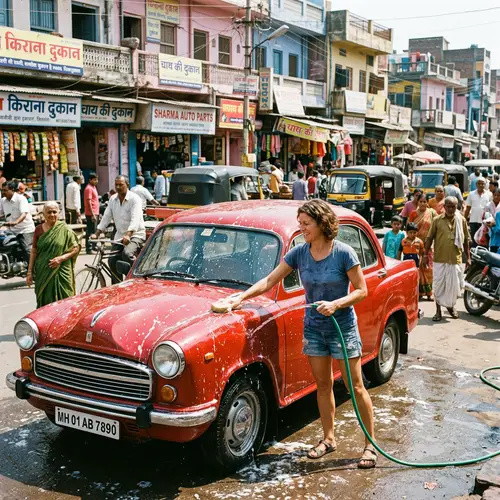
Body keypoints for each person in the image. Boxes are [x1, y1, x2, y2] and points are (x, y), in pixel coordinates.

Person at [222, 199, 378, 468]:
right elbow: (271, 280)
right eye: (300, 223)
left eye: (306, 223)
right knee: (323, 384)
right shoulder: (299, 253)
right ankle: (328, 439)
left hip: (343, 328)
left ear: (321, 224)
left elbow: (362, 290)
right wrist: (241, 297)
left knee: (355, 386)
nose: (302, 228)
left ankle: (370, 446)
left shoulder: (343, 253)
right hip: (314, 329)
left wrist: (337, 303)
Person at [91, 175, 146, 284]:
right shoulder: (113, 199)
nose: (118, 187)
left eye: (121, 185)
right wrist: (97, 233)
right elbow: (106, 217)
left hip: (136, 235)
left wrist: (128, 235)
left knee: (127, 253)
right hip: (120, 236)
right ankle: (117, 286)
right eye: (116, 185)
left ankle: (136, 278)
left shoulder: (135, 199)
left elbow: (135, 219)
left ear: (127, 185)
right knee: (112, 260)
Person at [26, 202, 80, 308]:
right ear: (44, 214)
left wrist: (61, 258)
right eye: (49, 212)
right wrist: (29, 272)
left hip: (62, 270)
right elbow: (34, 251)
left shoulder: (64, 229)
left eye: (54, 212)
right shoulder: (38, 230)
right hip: (43, 270)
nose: (52, 215)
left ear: (58, 213)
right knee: (45, 301)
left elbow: (75, 248)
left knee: (65, 301)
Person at [424, 196, 470, 321]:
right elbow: (429, 238)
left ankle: (450, 307)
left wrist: (469, 258)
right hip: (440, 259)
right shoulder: (437, 220)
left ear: (457, 207)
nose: (450, 209)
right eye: (448, 206)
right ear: (444, 207)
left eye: (453, 206)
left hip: (456, 259)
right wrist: (424, 256)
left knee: (454, 287)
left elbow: (466, 240)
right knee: (439, 286)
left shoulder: (462, 220)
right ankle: (438, 311)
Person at [409, 194, 437, 300]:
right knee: (418, 267)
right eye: (421, 201)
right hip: (416, 244)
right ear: (418, 202)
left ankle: (429, 292)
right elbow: (410, 228)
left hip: (429, 245)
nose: (423, 203)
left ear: (428, 203)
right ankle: (419, 292)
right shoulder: (413, 213)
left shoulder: (432, 213)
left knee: (429, 268)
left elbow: (437, 225)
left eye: (425, 202)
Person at [0, 181, 36, 263]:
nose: (3, 192)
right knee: (5, 245)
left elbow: (24, 214)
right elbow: (0, 213)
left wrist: (15, 222)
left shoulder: (21, 199)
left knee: (27, 249)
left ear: (12, 190)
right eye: (2, 190)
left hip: (25, 229)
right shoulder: (3, 201)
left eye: (5, 190)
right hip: (11, 230)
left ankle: (32, 270)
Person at [465, 178, 491, 246]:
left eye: (482, 184)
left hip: (484, 221)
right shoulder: (471, 194)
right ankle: (474, 254)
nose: (480, 185)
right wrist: (464, 219)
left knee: (483, 239)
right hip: (473, 220)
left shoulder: (489, 194)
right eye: (479, 183)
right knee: (474, 239)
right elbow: (468, 208)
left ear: (485, 185)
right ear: (476, 184)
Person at [83, 174, 99, 255]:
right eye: (95, 179)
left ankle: (94, 246)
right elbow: (88, 201)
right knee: (90, 231)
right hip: (91, 213)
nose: (96, 181)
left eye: (97, 179)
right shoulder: (88, 188)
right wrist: (92, 214)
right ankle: (89, 248)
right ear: (90, 180)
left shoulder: (93, 187)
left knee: (94, 230)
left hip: (95, 212)